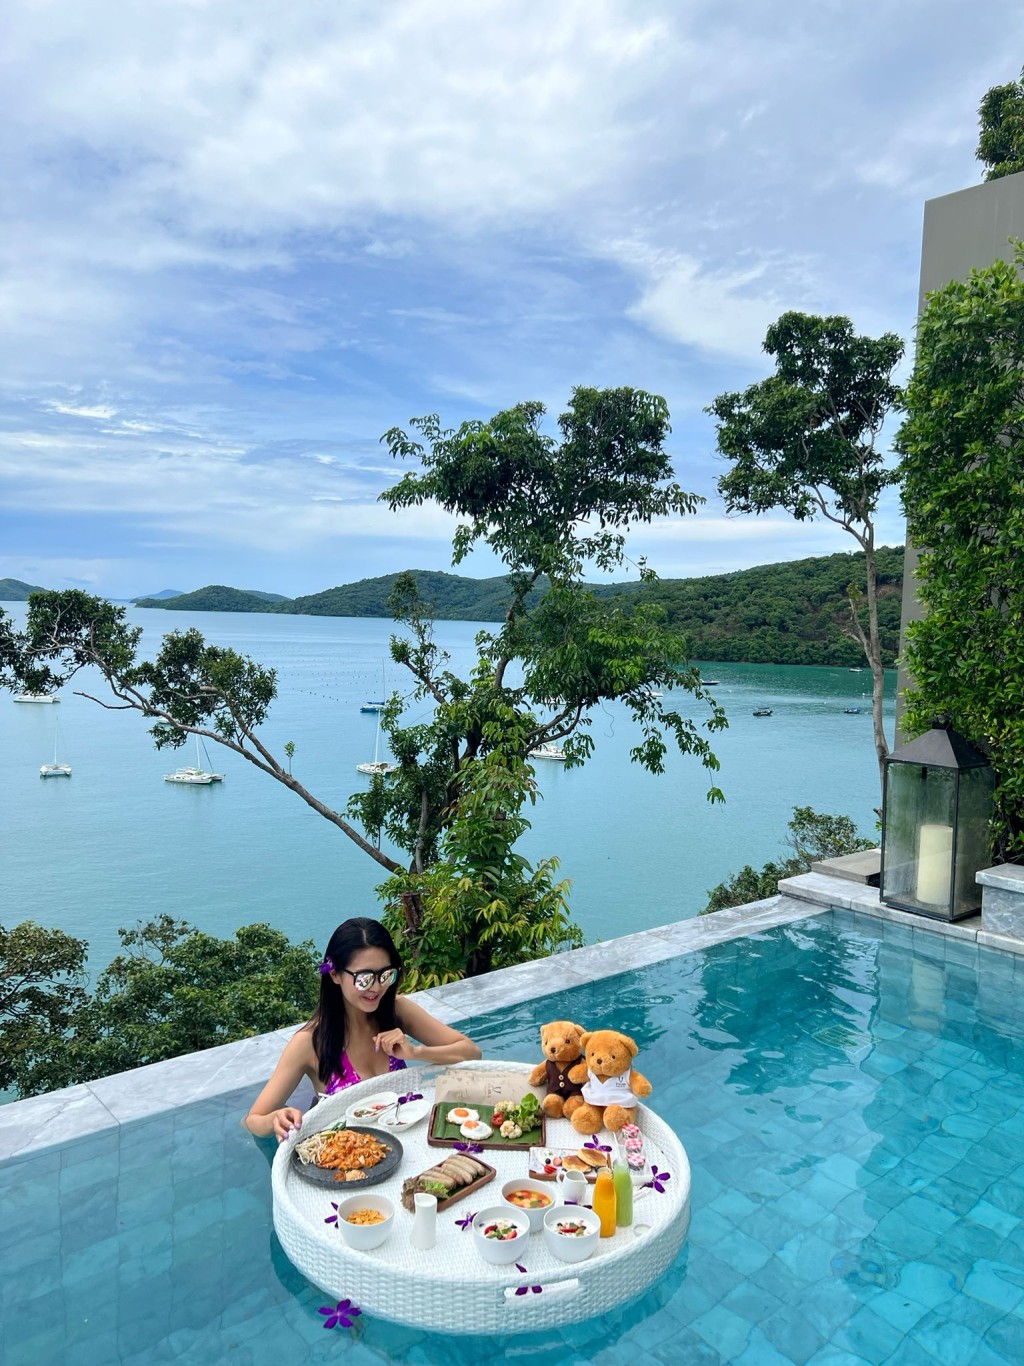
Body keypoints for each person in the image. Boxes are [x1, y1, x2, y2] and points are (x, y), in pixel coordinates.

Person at [244, 917, 481, 1140]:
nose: (376, 988)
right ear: (335, 974)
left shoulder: (397, 1011)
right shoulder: (310, 1043)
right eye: (364, 978)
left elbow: (471, 1052)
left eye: (385, 974)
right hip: (351, 1158)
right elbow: (253, 1120)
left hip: (410, 1142)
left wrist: (416, 1053)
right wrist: (276, 1118)